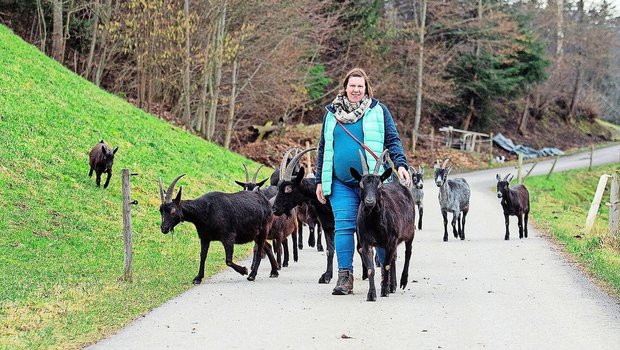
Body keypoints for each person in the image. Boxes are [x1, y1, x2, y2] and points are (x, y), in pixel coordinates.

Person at [315, 67, 411, 295]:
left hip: (375, 185)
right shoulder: (331, 114)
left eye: (360, 86)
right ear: (345, 88)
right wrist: (320, 179)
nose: (356, 90)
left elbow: (392, 140)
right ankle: (345, 276)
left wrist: (400, 165)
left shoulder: (379, 111)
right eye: (352, 86)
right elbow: (323, 148)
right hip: (342, 182)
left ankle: (386, 272)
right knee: (344, 226)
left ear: (366, 88)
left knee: (382, 226)